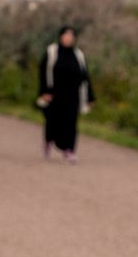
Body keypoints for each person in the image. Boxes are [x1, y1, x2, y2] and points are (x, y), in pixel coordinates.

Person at [37, 25, 95, 164]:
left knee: (71, 122)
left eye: (71, 36)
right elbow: (44, 72)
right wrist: (44, 91)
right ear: (61, 36)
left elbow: (85, 76)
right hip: (55, 93)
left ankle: (69, 149)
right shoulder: (52, 52)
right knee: (53, 121)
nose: (68, 38)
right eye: (66, 35)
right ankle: (49, 140)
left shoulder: (78, 55)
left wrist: (90, 96)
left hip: (73, 95)